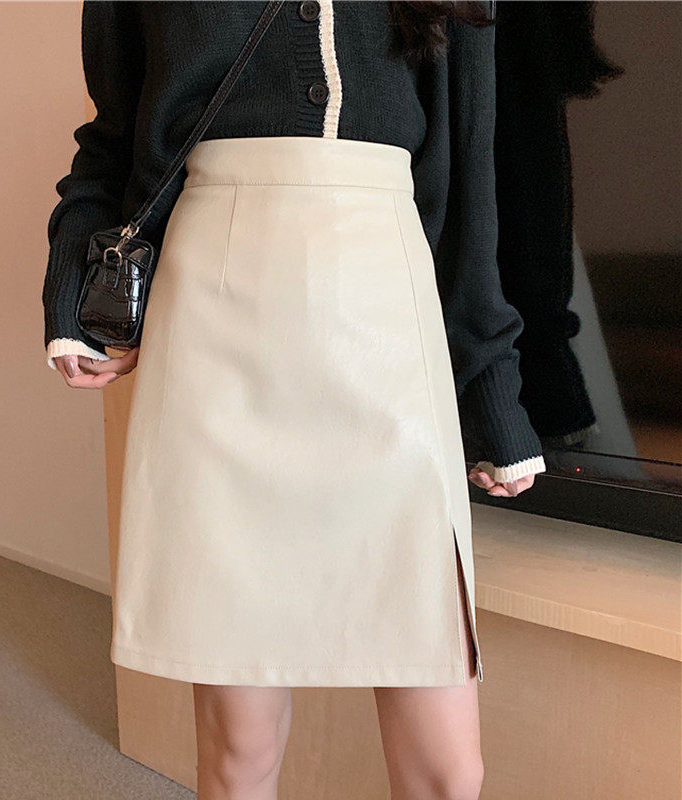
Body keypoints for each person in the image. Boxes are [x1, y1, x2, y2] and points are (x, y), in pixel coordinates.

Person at [41, 3, 545, 798]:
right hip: (215, 323)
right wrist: (76, 295)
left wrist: (492, 392)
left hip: (389, 318)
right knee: (239, 750)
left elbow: (471, 182)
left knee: (449, 767)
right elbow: (111, 140)